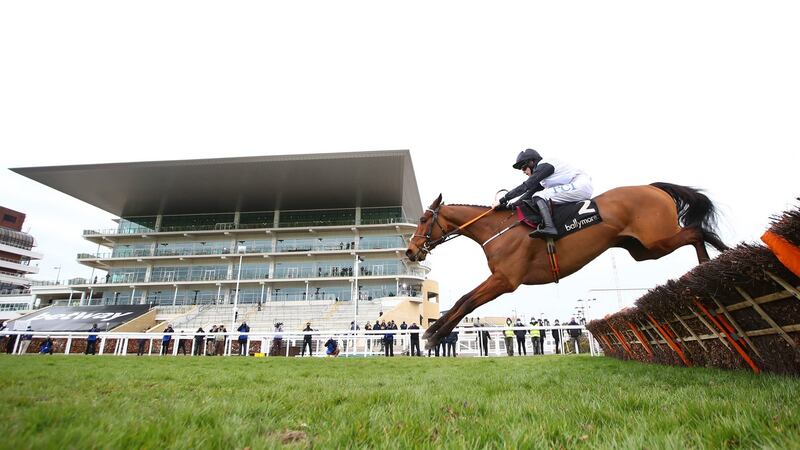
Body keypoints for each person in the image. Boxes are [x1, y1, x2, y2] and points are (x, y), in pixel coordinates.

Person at [493, 148, 593, 239]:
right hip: (577, 186)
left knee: (540, 196)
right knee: (537, 196)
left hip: (581, 184)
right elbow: (528, 194)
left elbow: (525, 186)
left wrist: (503, 199)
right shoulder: (542, 178)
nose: (523, 172)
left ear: (532, 162)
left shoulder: (544, 165)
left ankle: (550, 227)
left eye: (523, 168)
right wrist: (511, 206)